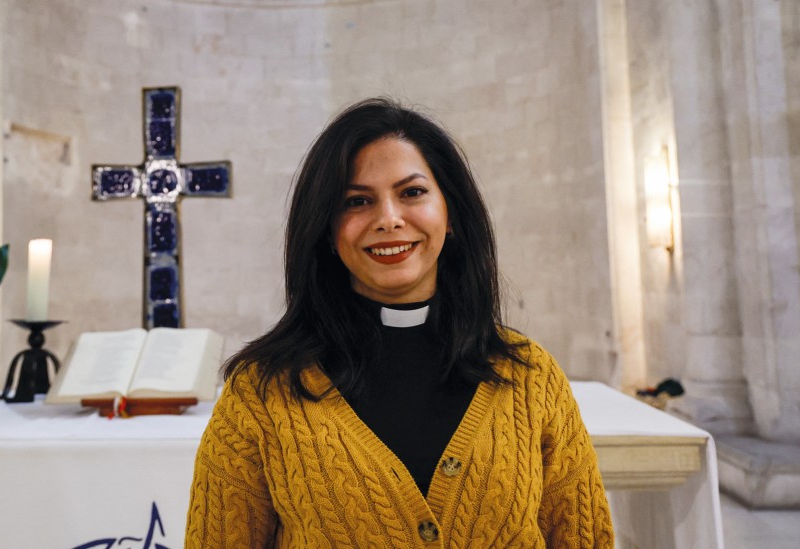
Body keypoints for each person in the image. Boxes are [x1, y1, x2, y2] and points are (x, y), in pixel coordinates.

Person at [185, 98, 614, 548]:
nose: (389, 219)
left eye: (411, 193)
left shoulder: (531, 379)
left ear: (451, 216)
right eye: (357, 201)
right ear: (327, 231)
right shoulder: (262, 393)